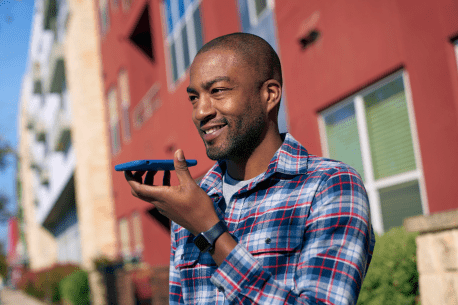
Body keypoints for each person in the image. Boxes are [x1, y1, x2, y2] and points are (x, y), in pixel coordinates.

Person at [124, 32, 375, 305]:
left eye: (217, 91)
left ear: (270, 95)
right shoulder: (192, 202)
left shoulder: (329, 186)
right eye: (194, 98)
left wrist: (210, 231)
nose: (200, 112)